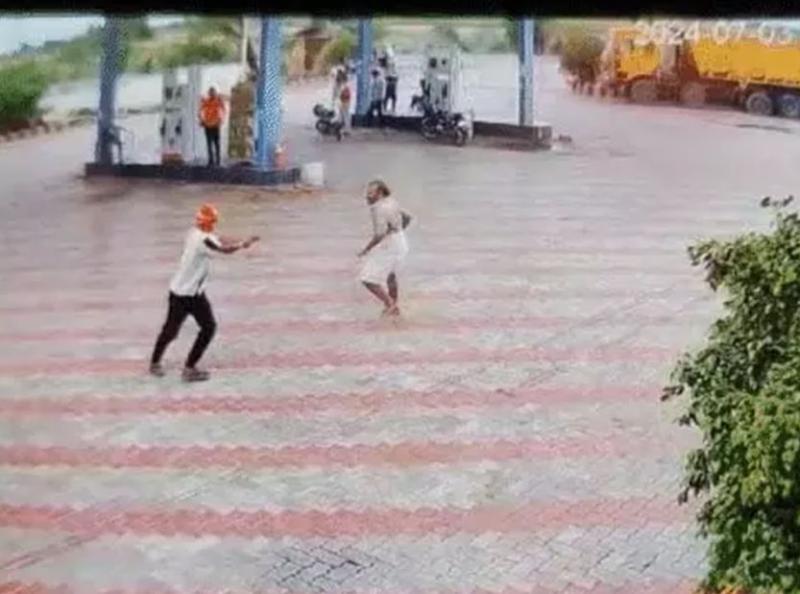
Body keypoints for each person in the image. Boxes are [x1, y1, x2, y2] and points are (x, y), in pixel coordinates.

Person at [149, 204, 260, 382]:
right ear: (210, 222)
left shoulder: (194, 233)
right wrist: (242, 244)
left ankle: (159, 363)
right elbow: (223, 249)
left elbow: (219, 239)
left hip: (188, 292)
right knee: (200, 329)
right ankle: (186, 368)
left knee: (177, 330)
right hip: (186, 294)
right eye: (213, 222)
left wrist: (240, 238)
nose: (213, 225)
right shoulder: (203, 241)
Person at [357, 179, 412, 317]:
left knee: (367, 279)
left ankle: (390, 304)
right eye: (367, 193)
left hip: (390, 244)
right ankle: (394, 305)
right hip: (401, 241)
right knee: (390, 275)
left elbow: (379, 234)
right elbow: (407, 217)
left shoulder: (377, 208)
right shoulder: (392, 202)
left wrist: (366, 250)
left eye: (371, 193)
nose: (367, 196)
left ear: (380, 193)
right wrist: (397, 230)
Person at [199, 87, 226, 167]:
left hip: (215, 125)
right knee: (209, 143)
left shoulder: (218, 101)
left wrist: (221, 120)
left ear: (215, 93)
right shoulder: (206, 101)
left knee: (216, 143)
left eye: (213, 92)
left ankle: (218, 160)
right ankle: (211, 160)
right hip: (208, 125)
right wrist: (202, 120)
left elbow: (223, 111)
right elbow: (200, 111)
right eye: (210, 93)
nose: (212, 94)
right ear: (209, 93)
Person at [383, 49, 399, 114]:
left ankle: (387, 109)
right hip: (392, 79)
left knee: (389, 96)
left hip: (390, 79)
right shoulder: (391, 62)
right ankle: (391, 109)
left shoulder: (390, 62)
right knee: (392, 96)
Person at [338, 71, 352, 135]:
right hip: (344, 101)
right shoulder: (346, 84)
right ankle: (341, 129)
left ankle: (347, 130)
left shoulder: (345, 85)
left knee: (345, 116)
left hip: (344, 102)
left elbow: (344, 94)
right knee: (342, 115)